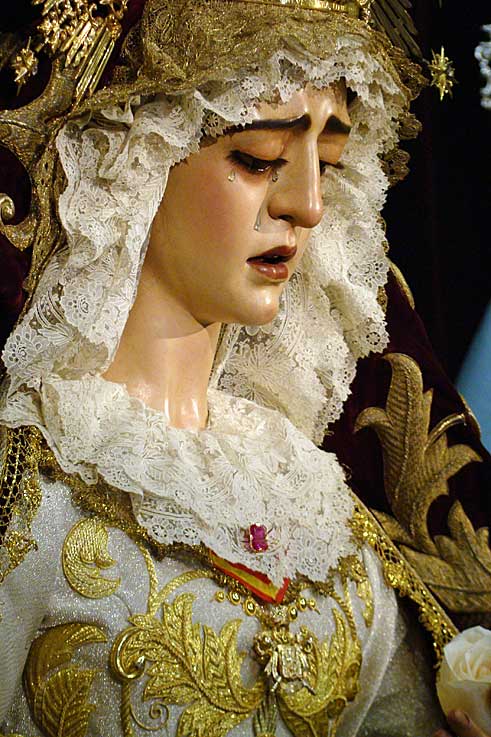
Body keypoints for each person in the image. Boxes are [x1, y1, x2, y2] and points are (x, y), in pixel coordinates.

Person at [0, 1, 490, 735]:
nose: (307, 205)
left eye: (328, 165)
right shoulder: (29, 493)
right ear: (133, 159)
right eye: (259, 159)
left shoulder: (318, 506)